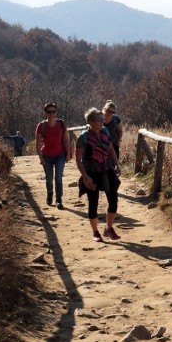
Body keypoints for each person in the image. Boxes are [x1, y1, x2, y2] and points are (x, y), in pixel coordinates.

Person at [76, 107, 121, 243]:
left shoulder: (105, 132)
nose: (102, 121)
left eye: (102, 119)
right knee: (93, 202)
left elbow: (111, 149)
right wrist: (85, 176)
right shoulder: (83, 138)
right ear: (90, 121)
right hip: (91, 172)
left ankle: (109, 228)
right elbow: (78, 159)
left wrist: (117, 165)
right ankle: (95, 232)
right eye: (98, 120)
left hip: (107, 170)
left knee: (113, 199)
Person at [35, 103, 71, 209]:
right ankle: (50, 193)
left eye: (53, 111)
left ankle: (59, 199)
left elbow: (65, 140)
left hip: (60, 154)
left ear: (56, 112)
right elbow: (38, 143)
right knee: (49, 178)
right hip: (47, 155)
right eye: (49, 112)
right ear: (45, 113)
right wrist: (40, 158)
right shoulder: (41, 126)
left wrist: (68, 153)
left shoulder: (61, 124)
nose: (51, 114)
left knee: (58, 178)